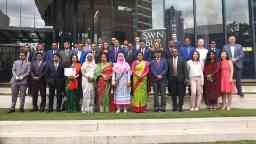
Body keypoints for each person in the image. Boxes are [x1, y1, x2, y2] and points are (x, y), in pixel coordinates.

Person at [167, 47, 188, 112]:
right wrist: (168, 79)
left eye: (175, 51)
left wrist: (186, 78)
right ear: (171, 53)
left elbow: (185, 70)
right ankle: (175, 107)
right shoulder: (169, 60)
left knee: (181, 94)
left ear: (178, 52)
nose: (174, 53)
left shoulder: (182, 59)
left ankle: (180, 107)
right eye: (173, 52)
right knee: (173, 94)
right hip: (172, 79)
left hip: (180, 79)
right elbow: (168, 71)